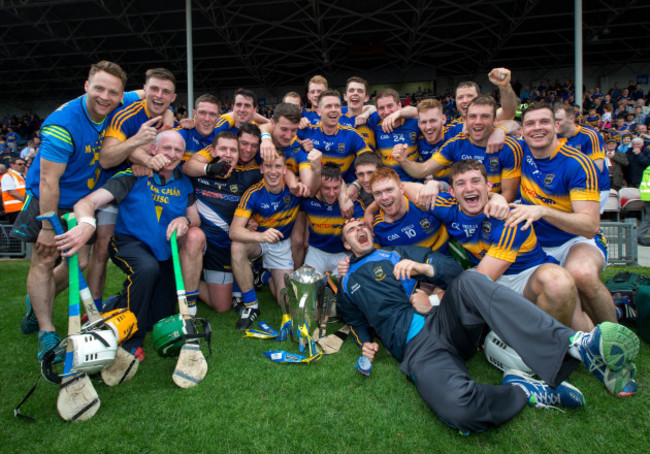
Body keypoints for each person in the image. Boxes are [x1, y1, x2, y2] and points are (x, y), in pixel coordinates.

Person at [337, 218, 639, 434]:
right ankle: (524, 391)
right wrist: (366, 341)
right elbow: (354, 319)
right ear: (345, 243)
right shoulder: (347, 281)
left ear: (371, 231)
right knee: (459, 411)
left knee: (470, 280)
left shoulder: (397, 252)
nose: (359, 230)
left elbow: (453, 270)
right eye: (351, 230)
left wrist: (425, 270)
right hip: (418, 349)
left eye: (362, 225)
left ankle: (576, 343)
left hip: (447, 321)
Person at [10, 61, 135, 361]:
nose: (105, 97)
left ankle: (38, 298)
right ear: (86, 86)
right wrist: (48, 227)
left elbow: (152, 92)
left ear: (121, 96)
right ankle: (46, 331)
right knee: (45, 257)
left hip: (82, 199)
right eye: (99, 89)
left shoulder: (118, 103)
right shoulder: (62, 124)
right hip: (49, 198)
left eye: (113, 92)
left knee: (78, 262)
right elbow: (50, 180)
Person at [54, 130, 199, 361]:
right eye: (166, 148)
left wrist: (186, 220)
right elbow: (88, 202)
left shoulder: (185, 182)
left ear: (183, 155)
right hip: (128, 243)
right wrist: (86, 224)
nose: (172, 154)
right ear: (153, 150)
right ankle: (132, 340)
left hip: (162, 252)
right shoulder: (133, 174)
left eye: (178, 150)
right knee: (146, 269)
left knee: (159, 316)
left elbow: (195, 219)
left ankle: (116, 304)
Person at [428, 159, 592, 330]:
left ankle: (547, 340)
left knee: (559, 285)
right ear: (452, 192)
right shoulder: (448, 206)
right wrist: (431, 185)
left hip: (524, 276)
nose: (469, 188)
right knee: (443, 283)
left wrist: (431, 301)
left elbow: (482, 278)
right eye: (461, 183)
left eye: (475, 181)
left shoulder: (510, 217)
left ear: (488, 186)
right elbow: (407, 189)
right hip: (488, 275)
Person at [507, 102, 617, 328]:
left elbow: (589, 225)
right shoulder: (520, 150)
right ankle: (576, 337)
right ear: (522, 130)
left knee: (582, 273)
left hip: (574, 240)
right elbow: (500, 120)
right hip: (534, 243)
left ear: (556, 126)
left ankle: (615, 339)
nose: (537, 128)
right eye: (530, 123)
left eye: (544, 122)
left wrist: (544, 211)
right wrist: (499, 131)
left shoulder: (576, 163)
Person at [183, 131, 262, 313]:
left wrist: (250, 219)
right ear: (212, 151)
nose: (228, 154)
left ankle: (183, 282)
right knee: (194, 236)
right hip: (197, 243)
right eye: (223, 149)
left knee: (222, 306)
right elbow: (185, 167)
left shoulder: (247, 178)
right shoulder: (197, 172)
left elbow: (276, 173)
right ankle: (189, 301)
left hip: (220, 249)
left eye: (233, 150)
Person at [395, 95, 522, 202]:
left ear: (495, 120)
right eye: (472, 116)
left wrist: (502, 129)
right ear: (465, 119)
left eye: (485, 116)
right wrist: (403, 159)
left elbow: (508, 196)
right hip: (465, 205)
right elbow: (422, 170)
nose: (478, 121)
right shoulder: (456, 143)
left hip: (496, 209)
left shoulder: (510, 146)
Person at [229, 150, 302, 330]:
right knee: (237, 246)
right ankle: (251, 305)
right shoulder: (253, 193)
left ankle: (267, 276)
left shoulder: (294, 189)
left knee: (284, 301)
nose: (273, 171)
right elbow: (234, 230)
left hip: (281, 245)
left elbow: (315, 184)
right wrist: (260, 236)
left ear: (285, 169)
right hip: (259, 241)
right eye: (268, 166)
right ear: (261, 168)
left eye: (278, 166)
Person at [297, 90, 372, 183]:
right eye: (328, 106)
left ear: (341, 111)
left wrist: (356, 184)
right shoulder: (307, 131)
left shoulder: (352, 134)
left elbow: (370, 161)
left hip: (343, 186)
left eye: (337, 106)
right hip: (315, 188)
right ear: (319, 111)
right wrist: (300, 144)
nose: (333, 109)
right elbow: (280, 137)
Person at [301, 163, 363, 277]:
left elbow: (363, 231)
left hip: (344, 254)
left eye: (336, 188)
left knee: (344, 287)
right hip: (317, 252)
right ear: (319, 185)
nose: (331, 193)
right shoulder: (308, 199)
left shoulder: (352, 204)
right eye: (326, 188)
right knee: (308, 285)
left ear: (341, 184)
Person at [554, 104, 610, 213]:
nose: (555, 123)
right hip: (568, 187)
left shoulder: (590, 135)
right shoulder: (555, 136)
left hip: (594, 187)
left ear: (571, 119)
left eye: (559, 120)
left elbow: (597, 168)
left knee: (584, 223)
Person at [1, 157, 26, 223]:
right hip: (15, 209)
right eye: (20, 164)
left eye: (24, 164)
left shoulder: (22, 176)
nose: (23, 166)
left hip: (23, 207)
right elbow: (12, 192)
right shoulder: (8, 176)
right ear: (12, 165)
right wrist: (26, 201)